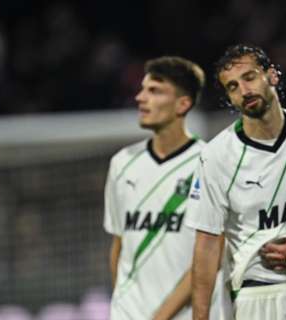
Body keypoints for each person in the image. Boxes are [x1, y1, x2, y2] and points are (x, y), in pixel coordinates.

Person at [186, 44, 286, 320]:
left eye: (249, 77)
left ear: (272, 76)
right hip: (261, 295)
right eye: (232, 87)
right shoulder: (216, 156)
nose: (243, 91)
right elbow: (206, 245)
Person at [104, 56, 227, 320]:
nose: (140, 97)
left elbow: (211, 254)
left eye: (154, 90)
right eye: (142, 89)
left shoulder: (209, 161)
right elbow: (119, 244)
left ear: (183, 104)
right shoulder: (122, 163)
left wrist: (160, 317)